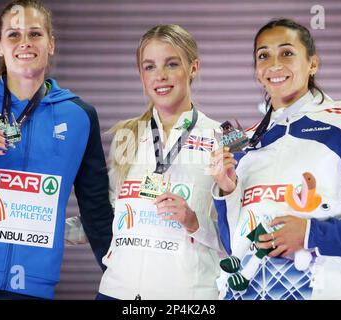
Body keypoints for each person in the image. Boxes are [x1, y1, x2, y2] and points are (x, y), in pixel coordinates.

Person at [210, 18, 341, 300]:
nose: (275, 64)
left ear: (313, 64)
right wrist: (226, 190)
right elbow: (233, 242)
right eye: (263, 55)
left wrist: (309, 233)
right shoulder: (244, 141)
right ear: (257, 72)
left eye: (287, 53)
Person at [0, 0, 113, 299]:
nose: (25, 43)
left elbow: (96, 210)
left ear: (51, 44)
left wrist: (123, 280)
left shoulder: (79, 116)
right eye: (13, 35)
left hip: (32, 287)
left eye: (35, 34)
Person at [66, 24, 223, 300]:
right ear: (141, 75)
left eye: (171, 64)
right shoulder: (127, 134)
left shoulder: (219, 137)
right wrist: (46, 227)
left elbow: (236, 234)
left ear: (193, 68)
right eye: (149, 67)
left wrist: (193, 221)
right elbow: (109, 216)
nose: (160, 76)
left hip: (186, 294)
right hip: (118, 291)